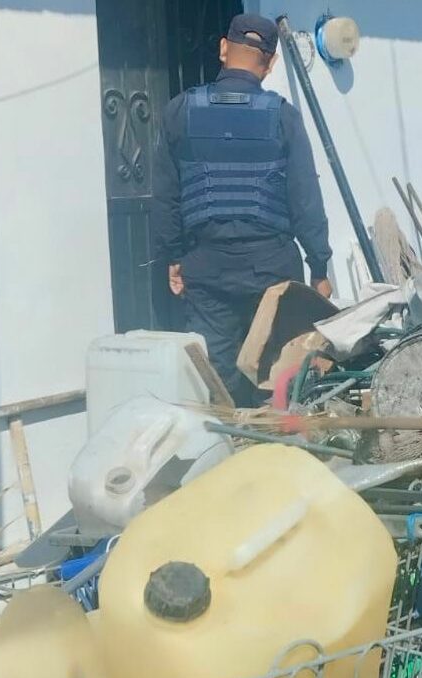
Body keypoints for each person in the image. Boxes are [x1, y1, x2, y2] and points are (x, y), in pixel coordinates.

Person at [152, 13, 333, 406]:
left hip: (207, 268)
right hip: (272, 270)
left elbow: (166, 198)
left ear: (222, 49)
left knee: (217, 377)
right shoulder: (283, 115)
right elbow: (305, 199)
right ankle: (275, 452)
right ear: (269, 64)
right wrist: (319, 266)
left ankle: (228, 450)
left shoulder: (179, 112)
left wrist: (173, 258)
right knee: (276, 375)